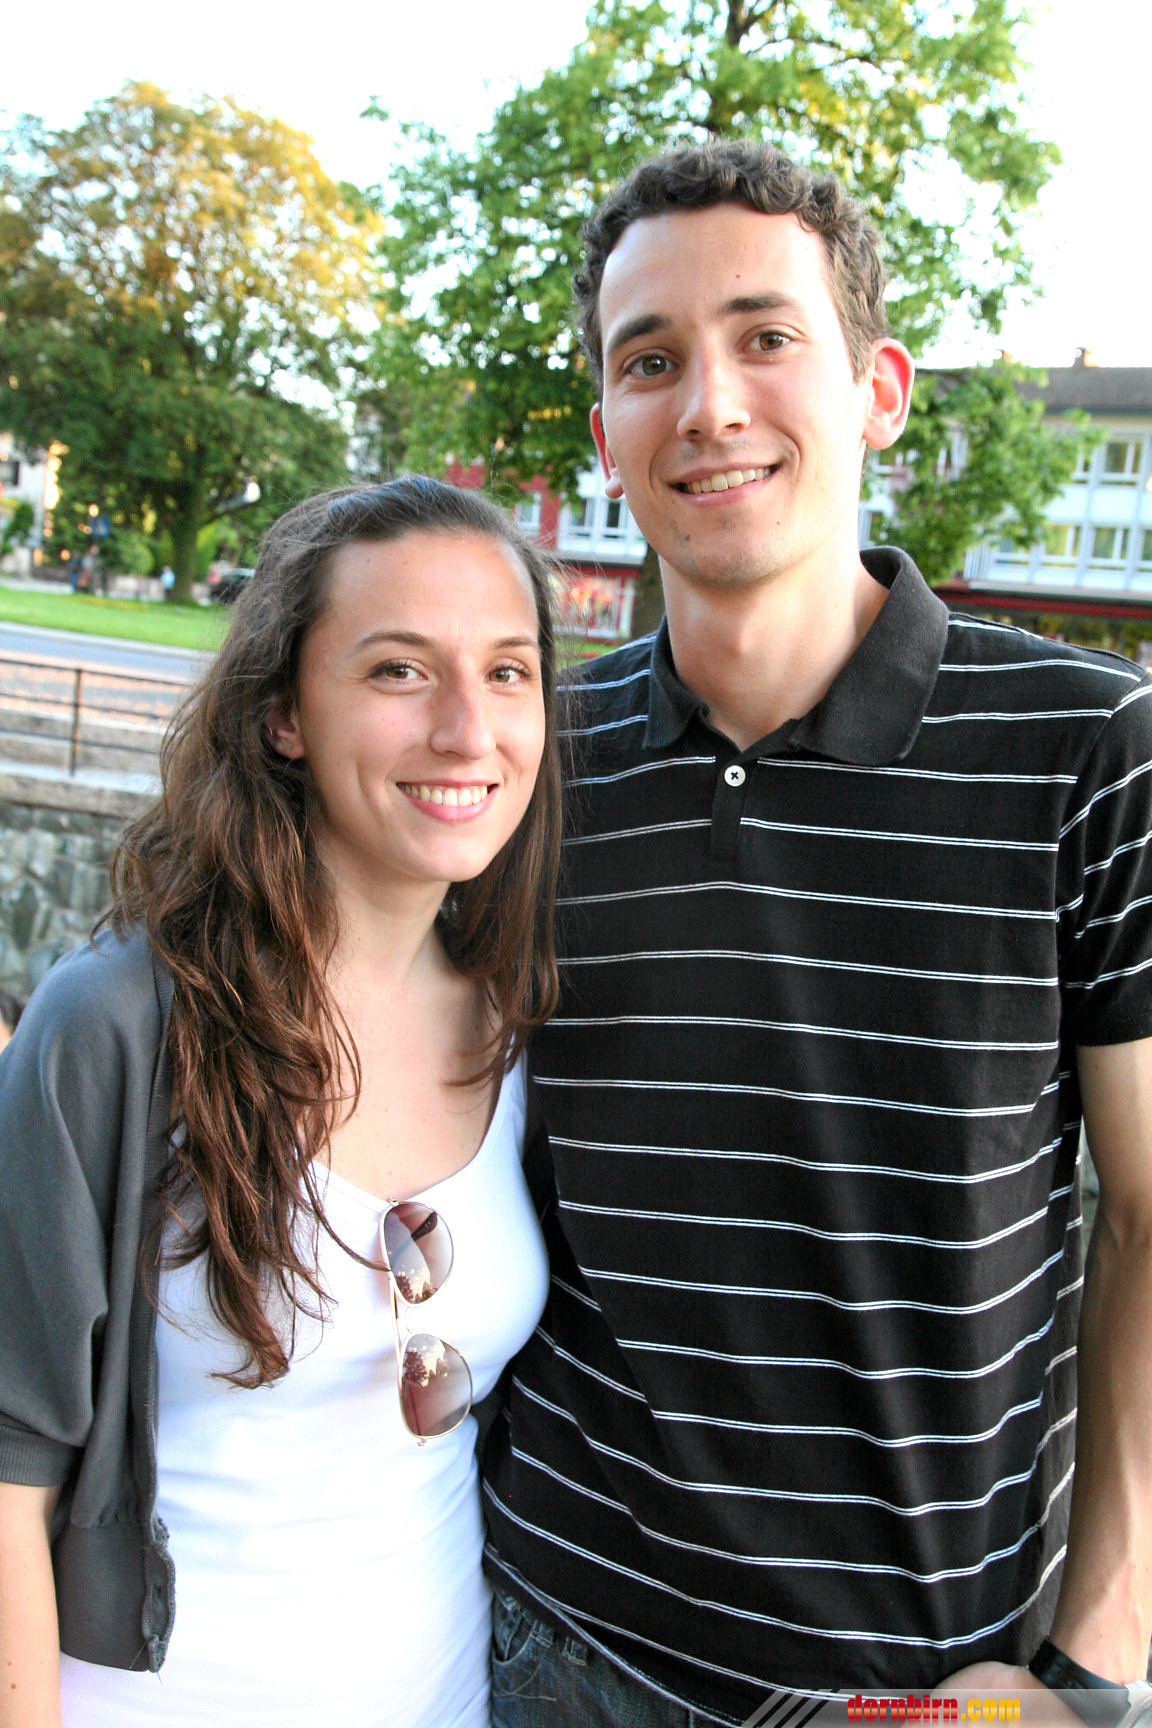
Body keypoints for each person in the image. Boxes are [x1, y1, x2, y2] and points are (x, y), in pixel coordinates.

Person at [481, 141, 1152, 1725]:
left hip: (922, 1690)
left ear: (878, 391)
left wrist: (1095, 1668)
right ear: (606, 436)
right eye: (650, 360)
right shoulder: (526, 762)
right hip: (551, 1640)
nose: (708, 404)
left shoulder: (1090, 747)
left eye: (765, 336)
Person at [0, 476, 563, 1728]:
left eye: (508, 672)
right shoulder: (119, 1027)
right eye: (399, 671)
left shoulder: (522, 1025)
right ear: (283, 716)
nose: (467, 729)